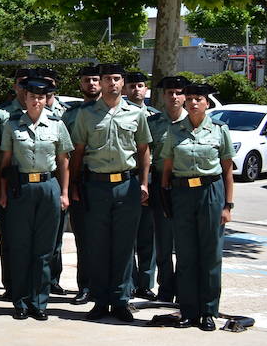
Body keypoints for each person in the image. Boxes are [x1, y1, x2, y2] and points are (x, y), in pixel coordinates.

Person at [69, 63, 152, 323]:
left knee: (124, 247)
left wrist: (144, 182)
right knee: (98, 245)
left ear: (122, 83)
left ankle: (120, 301)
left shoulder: (135, 114)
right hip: (96, 185)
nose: (112, 84)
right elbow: (78, 152)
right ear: (102, 83)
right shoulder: (86, 114)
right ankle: (99, 301)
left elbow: (143, 151)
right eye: (107, 79)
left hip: (126, 185)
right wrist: (74, 185)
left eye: (117, 79)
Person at [160, 82, 235, 331]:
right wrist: (166, 197)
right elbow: (167, 168)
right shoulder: (174, 130)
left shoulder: (219, 130)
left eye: (198, 99)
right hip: (182, 193)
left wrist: (228, 205)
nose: (192, 103)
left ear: (207, 103)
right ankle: (189, 311)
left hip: (210, 192)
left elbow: (227, 171)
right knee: (185, 254)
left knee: (210, 254)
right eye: (189, 98)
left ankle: (208, 311)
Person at [0, 76, 71, 321]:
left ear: (45, 99)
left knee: (44, 249)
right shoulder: (12, 125)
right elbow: (5, 162)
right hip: (21, 189)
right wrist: (2, 193)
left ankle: (39, 302)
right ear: (25, 98)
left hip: (48, 187)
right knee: (20, 247)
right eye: (32, 97)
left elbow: (63, 162)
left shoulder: (56, 124)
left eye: (40, 97)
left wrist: (63, 193)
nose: (36, 101)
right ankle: (20, 301)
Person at [60, 64, 103, 303]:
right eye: (87, 80)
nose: (92, 84)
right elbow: (65, 154)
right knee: (84, 238)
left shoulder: (110, 110)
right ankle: (85, 286)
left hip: (106, 180)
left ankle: (113, 288)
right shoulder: (71, 114)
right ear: (81, 84)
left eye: (95, 79)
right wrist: (70, 185)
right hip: (82, 180)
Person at [148, 75, 189, 303]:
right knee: (163, 242)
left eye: (178, 93)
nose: (174, 97)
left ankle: (184, 288)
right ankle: (165, 289)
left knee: (183, 242)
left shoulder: (194, 121)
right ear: (163, 96)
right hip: (160, 186)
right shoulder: (154, 123)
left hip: (185, 185)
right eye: (169, 93)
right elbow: (145, 154)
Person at [123, 70, 162, 300]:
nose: (136, 89)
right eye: (132, 86)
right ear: (126, 89)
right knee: (127, 233)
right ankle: (128, 281)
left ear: (146, 89)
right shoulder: (121, 114)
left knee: (148, 233)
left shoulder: (156, 117)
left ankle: (146, 283)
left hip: (150, 179)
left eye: (140, 85)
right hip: (128, 177)